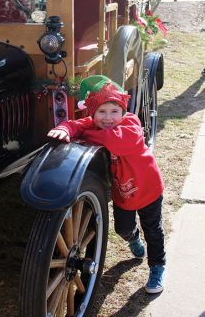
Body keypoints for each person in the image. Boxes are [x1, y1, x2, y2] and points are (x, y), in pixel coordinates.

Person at [47, 75, 166, 294]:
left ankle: (157, 267)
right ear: (93, 113)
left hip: (149, 188)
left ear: (123, 111)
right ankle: (133, 236)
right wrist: (67, 129)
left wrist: (86, 132)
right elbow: (77, 123)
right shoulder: (96, 123)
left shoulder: (132, 123)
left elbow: (116, 142)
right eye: (102, 112)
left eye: (114, 111)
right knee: (122, 228)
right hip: (123, 192)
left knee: (154, 231)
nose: (109, 118)